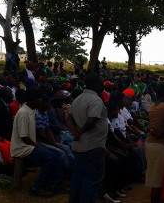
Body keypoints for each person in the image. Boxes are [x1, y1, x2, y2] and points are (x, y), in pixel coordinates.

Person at [10, 88, 65, 197]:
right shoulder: (23, 112)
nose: (41, 102)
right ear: (32, 100)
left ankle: (53, 185)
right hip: (22, 147)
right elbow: (24, 137)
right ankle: (37, 187)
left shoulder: (32, 111)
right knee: (50, 157)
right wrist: (38, 147)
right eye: (39, 99)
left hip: (29, 145)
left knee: (57, 154)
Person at [69, 74, 108, 203]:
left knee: (78, 178)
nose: (104, 85)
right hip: (93, 146)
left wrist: (74, 131)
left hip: (80, 146)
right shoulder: (96, 100)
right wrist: (79, 132)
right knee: (91, 179)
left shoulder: (78, 98)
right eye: (102, 83)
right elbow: (92, 120)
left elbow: (68, 117)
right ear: (96, 85)